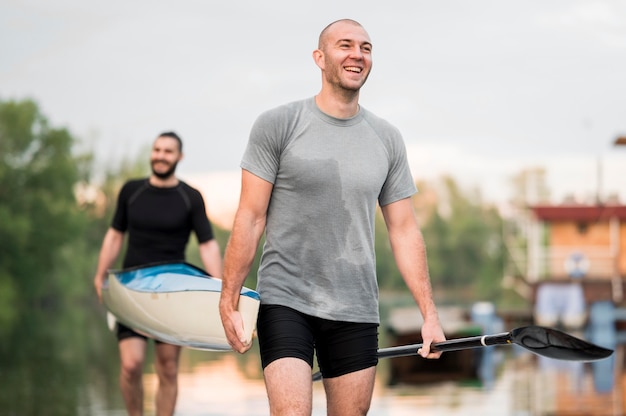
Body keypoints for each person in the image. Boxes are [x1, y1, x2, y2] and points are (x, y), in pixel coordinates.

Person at [219, 19, 445, 416]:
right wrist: (229, 298)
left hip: (355, 305)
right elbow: (250, 217)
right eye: (345, 45)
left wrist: (429, 316)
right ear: (319, 58)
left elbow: (404, 231)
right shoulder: (278, 125)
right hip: (285, 299)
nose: (357, 54)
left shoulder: (386, 138)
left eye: (366, 47)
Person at [93, 131, 223, 416]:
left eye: (168, 151)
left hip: (171, 296)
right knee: (131, 365)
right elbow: (115, 236)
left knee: (167, 367)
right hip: (131, 291)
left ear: (179, 157)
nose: (160, 156)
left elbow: (208, 245)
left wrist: (221, 290)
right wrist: (100, 274)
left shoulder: (190, 197)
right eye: (157, 150)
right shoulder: (132, 191)